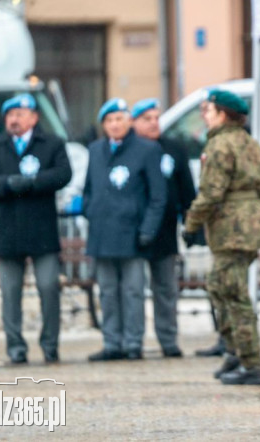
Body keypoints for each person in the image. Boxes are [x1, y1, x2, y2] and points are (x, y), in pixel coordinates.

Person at [182, 90, 260, 386]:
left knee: (233, 294)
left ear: (222, 115)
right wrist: (259, 220)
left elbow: (211, 192)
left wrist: (191, 223)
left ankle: (251, 364)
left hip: (231, 230)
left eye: (209, 111)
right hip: (247, 227)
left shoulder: (220, 144)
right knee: (220, 287)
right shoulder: (249, 143)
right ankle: (234, 352)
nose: (205, 116)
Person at [0, 93, 72, 364]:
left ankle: (50, 345)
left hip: (42, 230)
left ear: (34, 117)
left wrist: (32, 182)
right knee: (10, 292)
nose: (14, 120)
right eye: (10, 115)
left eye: (20, 114)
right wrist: (7, 184)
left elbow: (63, 174)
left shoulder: (51, 144)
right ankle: (15, 348)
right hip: (8, 230)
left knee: (48, 286)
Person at [83, 98, 166, 361]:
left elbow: (157, 195)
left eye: (119, 119)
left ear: (129, 121)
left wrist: (148, 229)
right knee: (107, 291)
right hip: (102, 231)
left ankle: (132, 342)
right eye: (109, 120)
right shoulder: (96, 150)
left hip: (132, 232)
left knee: (132, 291)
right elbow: (89, 189)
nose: (115, 125)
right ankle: (112, 342)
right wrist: (91, 210)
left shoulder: (146, 150)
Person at [131, 98, 197, 358]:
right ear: (134, 122)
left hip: (166, 230)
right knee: (133, 290)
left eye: (156, 118)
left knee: (166, 289)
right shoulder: (129, 149)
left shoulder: (173, 149)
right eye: (146, 118)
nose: (153, 123)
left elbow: (186, 191)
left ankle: (168, 339)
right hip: (134, 231)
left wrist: (191, 225)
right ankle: (133, 341)